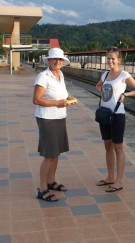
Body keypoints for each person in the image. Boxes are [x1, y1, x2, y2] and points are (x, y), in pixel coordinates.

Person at [95, 47, 135, 192]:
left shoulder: (124, 74)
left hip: (117, 115)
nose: (110, 61)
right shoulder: (104, 75)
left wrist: (126, 95)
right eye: (108, 58)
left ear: (118, 60)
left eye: (113, 58)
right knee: (107, 146)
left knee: (118, 148)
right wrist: (102, 91)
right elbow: (98, 86)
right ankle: (110, 177)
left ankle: (119, 181)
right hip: (104, 114)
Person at [33, 48, 77, 202]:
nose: (57, 62)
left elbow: (61, 94)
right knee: (49, 154)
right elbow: (37, 99)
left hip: (59, 117)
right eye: (54, 59)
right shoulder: (43, 76)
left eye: (60, 60)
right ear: (49, 60)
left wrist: (67, 98)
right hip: (47, 119)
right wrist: (58, 102)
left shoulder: (60, 74)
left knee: (56, 152)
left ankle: (51, 181)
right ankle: (42, 188)